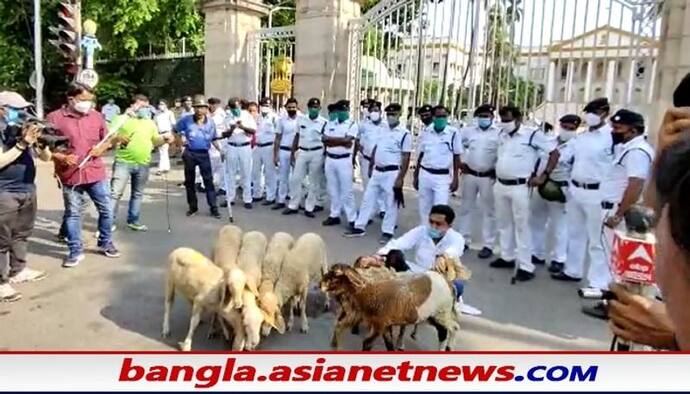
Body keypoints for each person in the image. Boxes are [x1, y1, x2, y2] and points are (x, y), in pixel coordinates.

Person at [579, 109, 654, 320]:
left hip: (616, 210)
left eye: (618, 128)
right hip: (612, 207)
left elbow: (635, 185)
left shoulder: (637, 151)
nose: (613, 131)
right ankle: (610, 301)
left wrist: (619, 214)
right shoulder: (628, 148)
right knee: (611, 258)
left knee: (615, 262)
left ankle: (612, 305)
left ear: (633, 130)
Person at [47, 84, 120, 267]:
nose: (88, 104)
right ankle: (75, 250)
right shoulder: (54, 118)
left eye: (90, 100)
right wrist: (62, 157)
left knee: (106, 209)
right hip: (70, 175)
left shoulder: (96, 117)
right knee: (73, 214)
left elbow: (108, 139)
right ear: (71, 99)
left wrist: (101, 148)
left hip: (95, 172)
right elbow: (43, 148)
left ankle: (105, 242)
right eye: (84, 100)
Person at [489, 105, 558, 282]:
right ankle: (507, 256)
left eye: (508, 120)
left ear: (518, 119)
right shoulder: (501, 135)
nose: (505, 124)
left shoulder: (532, 135)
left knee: (522, 225)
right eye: (502, 120)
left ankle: (526, 265)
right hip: (501, 184)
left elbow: (554, 153)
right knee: (504, 223)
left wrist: (544, 176)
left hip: (520, 186)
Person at [552, 98, 614, 286]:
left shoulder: (612, 137)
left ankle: (598, 282)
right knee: (575, 233)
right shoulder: (582, 136)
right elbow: (563, 156)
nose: (589, 116)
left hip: (597, 193)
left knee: (596, 240)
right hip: (576, 190)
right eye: (588, 112)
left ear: (604, 113)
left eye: (593, 112)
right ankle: (573, 270)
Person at [0, 91, 51, 302]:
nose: (21, 113)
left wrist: (41, 143)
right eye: (16, 109)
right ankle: (1, 283)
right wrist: (22, 143)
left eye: (23, 109)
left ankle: (18, 270)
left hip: (27, 188)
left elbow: (46, 158)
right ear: (2, 110)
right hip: (4, 191)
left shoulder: (21, 129)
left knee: (22, 234)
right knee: (2, 239)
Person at [377, 204, 469, 311]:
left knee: (458, 284)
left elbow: (454, 251)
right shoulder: (421, 231)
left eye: (438, 224)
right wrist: (378, 256)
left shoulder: (456, 238)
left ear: (449, 226)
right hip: (415, 274)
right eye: (431, 222)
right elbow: (398, 244)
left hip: (439, 280)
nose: (433, 226)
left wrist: (444, 257)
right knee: (393, 256)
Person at [345, 103, 412, 244]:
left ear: (400, 115)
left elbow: (406, 156)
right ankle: (359, 226)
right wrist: (371, 164)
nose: (391, 117)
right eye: (389, 114)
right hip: (377, 170)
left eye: (394, 114)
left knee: (391, 203)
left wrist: (401, 178)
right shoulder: (383, 129)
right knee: (367, 199)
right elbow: (377, 147)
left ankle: (387, 231)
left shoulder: (404, 133)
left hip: (392, 172)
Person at [109, 94, 173, 232]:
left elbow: (155, 140)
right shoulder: (121, 119)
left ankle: (133, 220)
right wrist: (119, 135)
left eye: (146, 106)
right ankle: (108, 223)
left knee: (137, 194)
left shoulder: (149, 122)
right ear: (133, 105)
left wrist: (165, 139)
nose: (144, 109)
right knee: (115, 194)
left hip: (143, 163)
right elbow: (110, 136)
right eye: (141, 106)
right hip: (123, 162)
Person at [531, 115, 579, 275]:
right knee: (537, 220)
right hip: (541, 184)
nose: (567, 131)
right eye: (565, 127)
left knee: (559, 225)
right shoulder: (549, 141)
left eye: (571, 128)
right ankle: (537, 253)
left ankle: (559, 259)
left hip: (561, 187)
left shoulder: (576, 146)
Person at [457, 104, 499, 259]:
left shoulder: (498, 133)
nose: (484, 119)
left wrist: (497, 169)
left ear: (492, 117)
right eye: (481, 116)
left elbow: (503, 152)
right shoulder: (468, 131)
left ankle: (488, 244)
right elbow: (458, 145)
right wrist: (462, 162)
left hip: (488, 176)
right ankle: (463, 240)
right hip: (470, 174)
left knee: (489, 211)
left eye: (486, 116)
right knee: (466, 208)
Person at [413, 105, 462, 225]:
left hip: (443, 177)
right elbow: (421, 155)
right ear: (433, 117)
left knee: (440, 209)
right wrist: (416, 176)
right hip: (425, 174)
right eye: (438, 116)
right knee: (424, 208)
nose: (441, 119)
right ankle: (425, 235)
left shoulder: (453, 133)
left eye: (444, 116)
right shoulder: (426, 132)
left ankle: (439, 236)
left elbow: (457, 156)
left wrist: (456, 178)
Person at [176, 94, 222, 219]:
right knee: (190, 182)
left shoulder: (210, 123)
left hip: (204, 154)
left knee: (208, 182)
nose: (199, 110)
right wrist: (180, 146)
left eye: (202, 107)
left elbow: (213, 139)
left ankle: (213, 208)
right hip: (190, 153)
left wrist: (221, 150)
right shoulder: (186, 120)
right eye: (196, 107)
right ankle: (193, 207)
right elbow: (176, 131)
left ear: (206, 108)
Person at [284, 98, 328, 217]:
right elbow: (297, 136)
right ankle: (293, 205)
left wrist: (325, 156)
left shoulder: (324, 122)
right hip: (302, 151)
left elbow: (326, 140)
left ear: (319, 108)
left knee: (314, 181)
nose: (314, 109)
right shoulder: (301, 119)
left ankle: (309, 207)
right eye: (312, 107)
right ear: (308, 108)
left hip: (317, 152)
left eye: (316, 107)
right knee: (296, 179)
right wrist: (293, 152)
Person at [322, 99, 358, 227]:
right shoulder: (330, 124)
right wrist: (341, 141)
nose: (344, 112)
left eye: (345, 110)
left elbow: (348, 142)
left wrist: (333, 140)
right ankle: (334, 215)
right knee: (332, 189)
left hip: (344, 160)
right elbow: (324, 140)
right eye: (341, 110)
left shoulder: (352, 124)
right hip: (330, 159)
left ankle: (352, 219)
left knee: (347, 191)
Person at [222, 97, 257, 210]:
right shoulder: (228, 117)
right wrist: (231, 129)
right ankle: (230, 198)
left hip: (245, 147)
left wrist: (242, 126)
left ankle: (247, 199)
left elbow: (253, 131)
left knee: (246, 173)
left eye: (236, 107)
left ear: (240, 106)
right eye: (232, 107)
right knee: (230, 173)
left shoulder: (247, 115)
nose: (234, 109)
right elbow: (224, 134)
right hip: (232, 146)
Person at [355, 100, 386, 220]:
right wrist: (360, 148)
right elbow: (357, 138)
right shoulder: (364, 125)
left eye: (376, 110)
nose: (373, 113)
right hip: (367, 160)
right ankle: (368, 213)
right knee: (368, 187)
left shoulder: (386, 126)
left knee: (383, 188)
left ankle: (383, 209)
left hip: (380, 162)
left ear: (380, 111)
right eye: (371, 110)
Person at [272, 98, 299, 210]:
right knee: (283, 177)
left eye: (293, 107)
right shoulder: (281, 120)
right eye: (289, 107)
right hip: (284, 150)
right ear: (286, 108)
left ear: (297, 107)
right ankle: (281, 200)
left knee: (297, 178)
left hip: (297, 151)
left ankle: (295, 201)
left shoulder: (302, 119)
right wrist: (275, 154)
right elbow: (278, 138)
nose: (291, 109)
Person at [253, 97, 278, 204]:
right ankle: (257, 194)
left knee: (269, 173)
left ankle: (270, 197)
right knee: (255, 172)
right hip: (257, 147)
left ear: (271, 106)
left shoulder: (275, 118)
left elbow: (278, 134)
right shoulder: (257, 118)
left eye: (267, 105)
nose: (264, 107)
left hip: (269, 147)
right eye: (263, 105)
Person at [199, 97, 226, 194]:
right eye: (212, 104)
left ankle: (223, 187)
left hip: (221, 141)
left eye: (215, 104)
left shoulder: (222, 115)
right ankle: (204, 184)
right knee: (209, 164)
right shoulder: (207, 115)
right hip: (211, 142)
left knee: (222, 166)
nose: (213, 106)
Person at [154, 99, 176, 175]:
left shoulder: (170, 113)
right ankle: (166, 167)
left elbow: (173, 124)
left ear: (166, 105)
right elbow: (154, 124)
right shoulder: (156, 114)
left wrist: (172, 134)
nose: (161, 106)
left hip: (167, 133)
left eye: (162, 104)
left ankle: (160, 168)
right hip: (159, 133)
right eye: (160, 104)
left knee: (163, 150)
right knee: (163, 151)